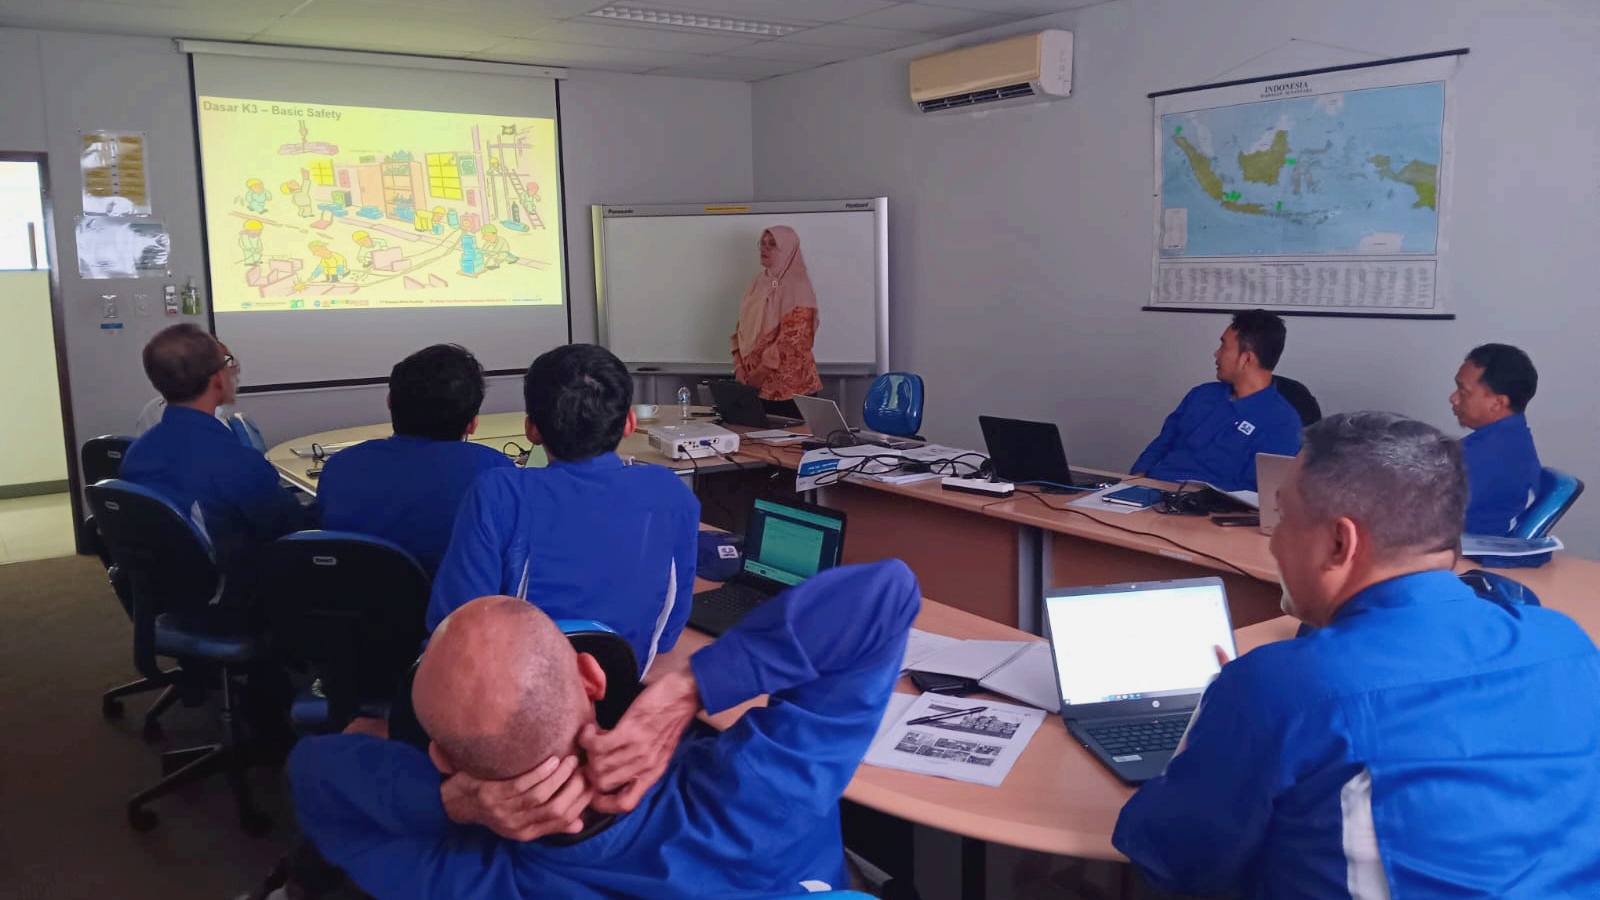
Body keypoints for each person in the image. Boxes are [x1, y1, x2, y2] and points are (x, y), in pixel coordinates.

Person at [1114, 411, 1600, 897]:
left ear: (1339, 543)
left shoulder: (1280, 689)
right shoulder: (1567, 643)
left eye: (1283, 518)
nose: (1275, 542)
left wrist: (1221, 710)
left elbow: (1170, 854)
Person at [288, 560, 920, 898]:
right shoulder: (762, 794)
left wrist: (450, 803)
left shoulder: (465, 875)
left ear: (443, 759)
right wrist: (691, 687)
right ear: (592, 678)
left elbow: (314, 776)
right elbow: (886, 595)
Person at [428, 344, 699, 674]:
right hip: (622, 689)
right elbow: (666, 635)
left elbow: (453, 631)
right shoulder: (671, 492)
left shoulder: (498, 493)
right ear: (629, 423)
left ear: (531, 429)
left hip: (515, 693)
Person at [120, 324, 314, 571]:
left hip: (171, 582)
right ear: (217, 379)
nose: (235, 369)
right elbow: (292, 530)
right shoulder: (237, 463)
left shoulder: (137, 454)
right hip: (238, 585)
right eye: (228, 362)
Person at [316, 345, 515, 575]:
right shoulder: (495, 473)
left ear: (389, 401)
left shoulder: (340, 467)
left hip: (352, 595)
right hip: (453, 599)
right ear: (473, 423)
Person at [1130, 309, 1302, 491]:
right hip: (1153, 493)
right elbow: (1161, 444)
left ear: (1246, 359)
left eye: (1223, 346)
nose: (1216, 354)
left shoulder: (1283, 422)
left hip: (1208, 504)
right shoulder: (1201, 395)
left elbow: (1258, 493)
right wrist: (1135, 481)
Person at [1450, 343, 1541, 535]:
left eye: (1463, 391)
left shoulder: (1487, 456)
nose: (1453, 398)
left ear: (1498, 403)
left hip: (1464, 548)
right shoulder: (1512, 442)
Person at [731, 226, 820, 415]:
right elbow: (742, 327)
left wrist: (761, 371)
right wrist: (739, 366)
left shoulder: (798, 286)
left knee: (789, 435)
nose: (764, 249)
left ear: (787, 249)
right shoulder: (758, 282)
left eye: (772, 244)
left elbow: (795, 339)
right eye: (762, 244)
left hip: (790, 390)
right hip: (753, 385)